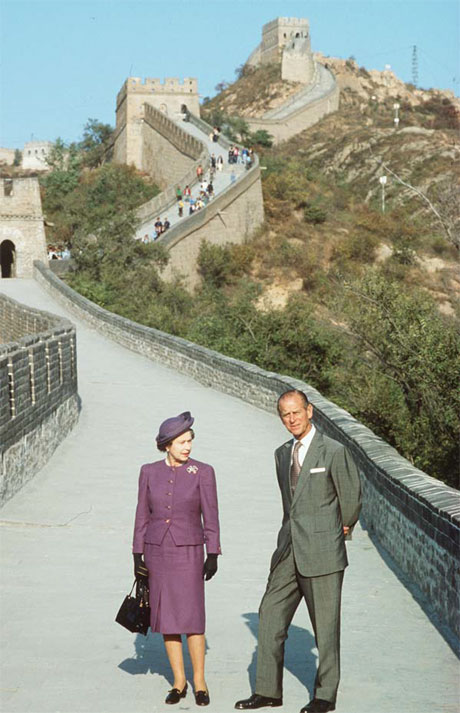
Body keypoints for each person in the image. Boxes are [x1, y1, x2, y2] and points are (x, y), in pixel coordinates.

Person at [235, 390, 361, 713]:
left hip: (323, 552)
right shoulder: (281, 454)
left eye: (296, 413)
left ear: (310, 411)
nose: (291, 420)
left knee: (326, 628)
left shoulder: (333, 451)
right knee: (270, 614)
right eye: (285, 415)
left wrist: (338, 531)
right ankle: (267, 691)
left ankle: (324, 696)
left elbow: (351, 500)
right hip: (288, 550)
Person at [133, 411, 221, 707]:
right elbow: (142, 514)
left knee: (193, 618)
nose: (188, 447)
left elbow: (211, 515)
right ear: (167, 444)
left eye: (190, 441)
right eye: (182, 442)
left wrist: (214, 552)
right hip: (157, 551)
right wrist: (136, 553)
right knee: (167, 618)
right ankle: (179, 681)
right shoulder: (148, 471)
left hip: (189, 552)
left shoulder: (204, 472)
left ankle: (200, 682)